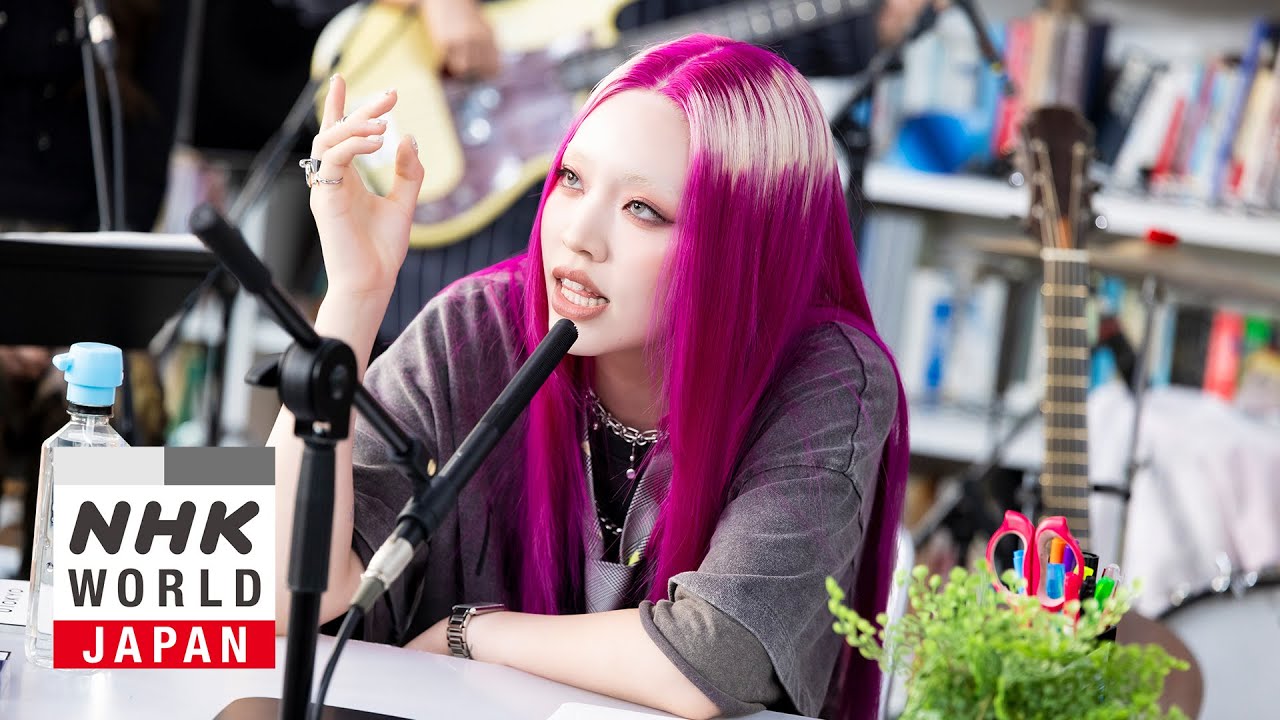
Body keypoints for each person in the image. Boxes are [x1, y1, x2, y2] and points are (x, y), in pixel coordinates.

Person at [271, 33, 908, 719]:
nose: (578, 234)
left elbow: (716, 656)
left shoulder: (827, 378)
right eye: (571, 180)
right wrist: (353, 300)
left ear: (743, 244)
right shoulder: (475, 329)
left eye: (643, 209)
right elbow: (274, 592)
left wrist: (471, 633)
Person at [278, 0, 942, 357]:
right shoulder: (442, 330)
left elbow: (776, 35)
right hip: (444, 241)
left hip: (619, 282)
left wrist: (877, 19)